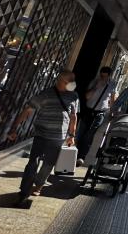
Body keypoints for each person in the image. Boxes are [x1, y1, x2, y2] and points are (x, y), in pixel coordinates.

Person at [7, 71, 79, 206]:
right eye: (71, 81)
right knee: (33, 162)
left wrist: (72, 135)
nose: (73, 84)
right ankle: (24, 191)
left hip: (59, 136)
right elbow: (28, 110)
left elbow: (74, 116)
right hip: (41, 134)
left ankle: (39, 185)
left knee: (48, 163)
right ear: (61, 81)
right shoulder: (46, 94)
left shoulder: (74, 96)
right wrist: (14, 128)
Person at [76, 66, 117, 167]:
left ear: (109, 76)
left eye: (105, 77)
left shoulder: (112, 84)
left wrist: (112, 111)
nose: (103, 78)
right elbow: (87, 96)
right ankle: (74, 154)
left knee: (89, 135)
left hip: (100, 113)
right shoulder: (95, 82)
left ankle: (81, 157)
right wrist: (96, 87)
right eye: (102, 76)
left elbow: (112, 99)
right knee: (81, 133)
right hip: (88, 111)